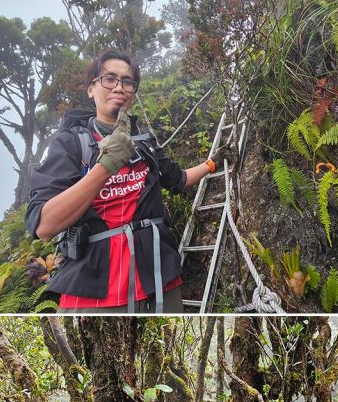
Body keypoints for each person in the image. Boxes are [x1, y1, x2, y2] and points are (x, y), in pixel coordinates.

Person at [26, 50, 218, 313]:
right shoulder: (72, 144)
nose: (119, 87)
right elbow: (45, 225)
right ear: (91, 89)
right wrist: (106, 165)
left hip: (158, 276)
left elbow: (178, 179)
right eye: (109, 79)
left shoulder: (145, 142)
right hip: (95, 285)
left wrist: (212, 164)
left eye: (128, 82)